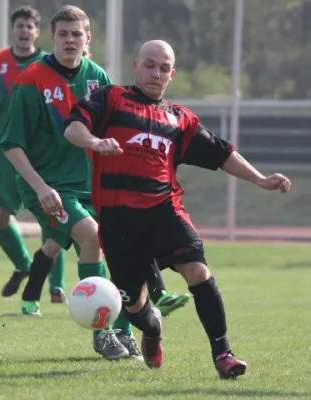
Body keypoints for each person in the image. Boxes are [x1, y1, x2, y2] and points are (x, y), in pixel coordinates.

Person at [63, 39, 291, 377]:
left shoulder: (179, 119)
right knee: (135, 305)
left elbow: (221, 153)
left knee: (198, 271)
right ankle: (153, 328)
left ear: (172, 74)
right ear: (136, 65)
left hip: (164, 210)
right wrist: (96, 141)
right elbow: (73, 127)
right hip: (118, 223)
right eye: (151, 65)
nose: (157, 73)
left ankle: (223, 354)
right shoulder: (110, 99)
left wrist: (259, 179)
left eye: (164, 68)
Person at [0, 4, 145, 362]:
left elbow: (117, 129)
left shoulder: (98, 77)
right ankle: (103, 334)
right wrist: (39, 188)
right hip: (48, 187)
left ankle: (125, 333)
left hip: (93, 186)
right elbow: (10, 143)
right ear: (53, 38)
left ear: (87, 39)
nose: (69, 40)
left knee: (120, 250)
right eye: (63, 34)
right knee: (91, 236)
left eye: (76, 34)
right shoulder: (32, 78)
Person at [0, 5, 66, 303]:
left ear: (37, 32)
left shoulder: (48, 64)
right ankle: (25, 265)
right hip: (2, 147)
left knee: (53, 216)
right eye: (20, 26)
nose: (25, 31)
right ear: (13, 30)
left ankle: (56, 286)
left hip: (39, 149)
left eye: (30, 27)